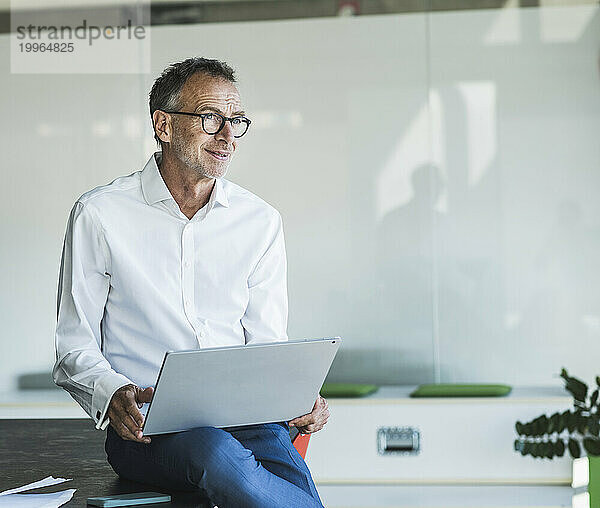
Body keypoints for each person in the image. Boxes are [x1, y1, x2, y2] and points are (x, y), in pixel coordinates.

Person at [53, 57, 329, 507]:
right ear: (163, 125)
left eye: (235, 121)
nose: (227, 136)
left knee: (280, 467)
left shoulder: (259, 221)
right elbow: (72, 346)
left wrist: (292, 393)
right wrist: (112, 392)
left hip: (248, 419)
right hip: (148, 431)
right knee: (215, 452)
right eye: (210, 119)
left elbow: (266, 344)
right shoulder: (100, 215)